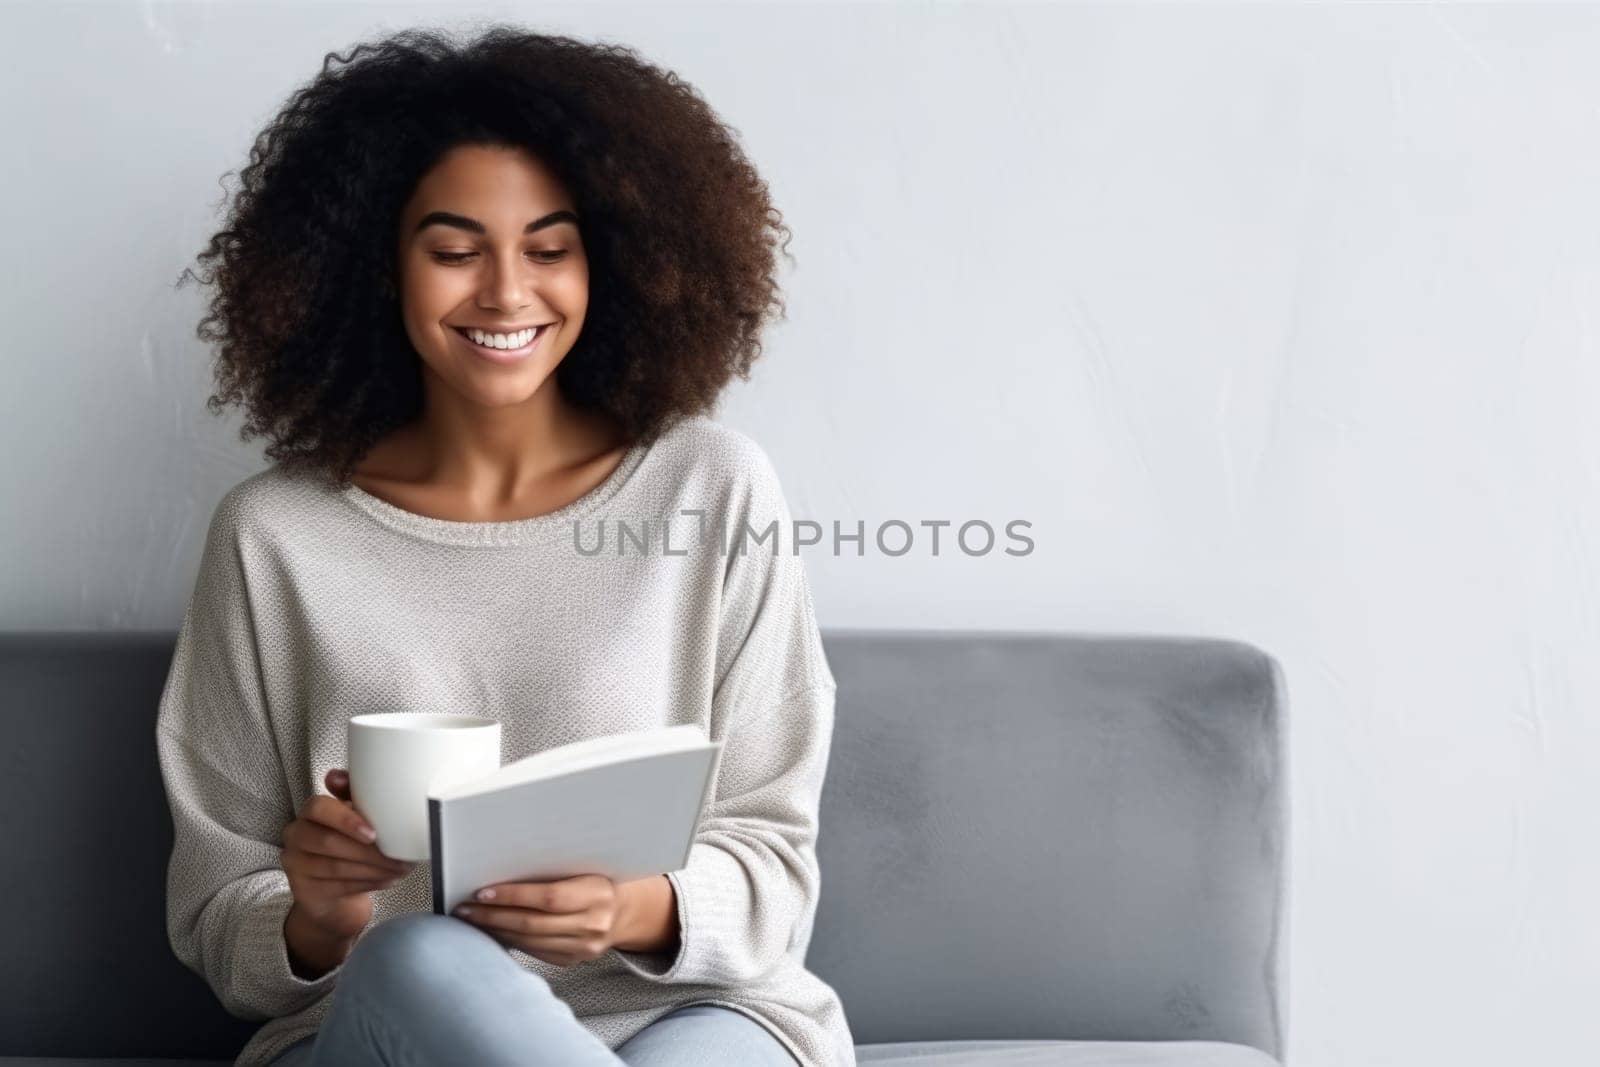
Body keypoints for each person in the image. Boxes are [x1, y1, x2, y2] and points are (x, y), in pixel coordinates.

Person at [156, 24, 853, 1067]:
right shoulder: (275, 537)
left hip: (693, 1020)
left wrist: (630, 908)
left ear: (608, 261)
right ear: (376, 268)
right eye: (453, 250)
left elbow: (774, 862)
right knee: (421, 954)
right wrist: (318, 913)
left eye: (548, 247)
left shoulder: (710, 488)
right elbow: (220, 917)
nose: (505, 292)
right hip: (390, 1024)